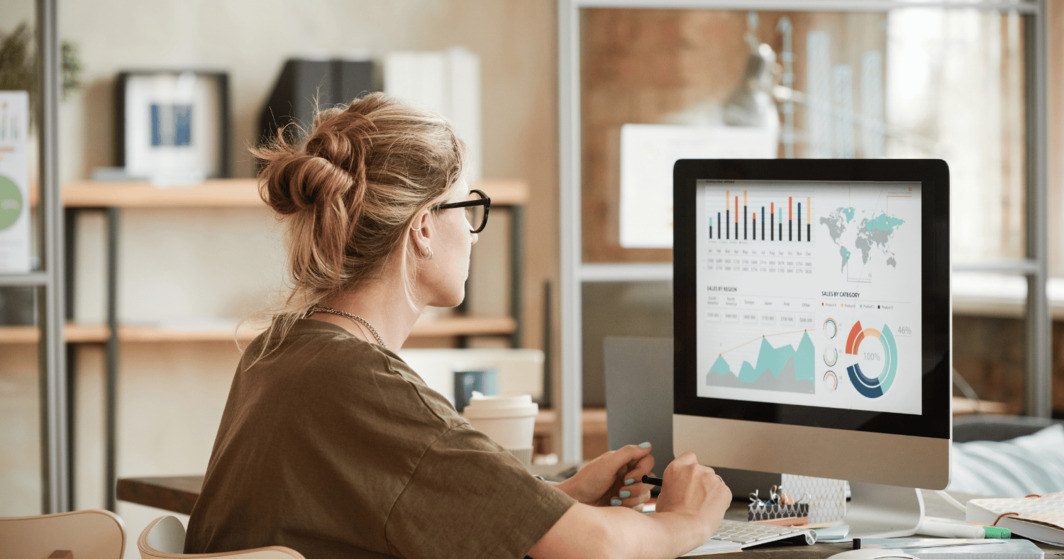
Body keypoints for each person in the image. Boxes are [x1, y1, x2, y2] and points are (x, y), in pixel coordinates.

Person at [183, 92, 731, 559]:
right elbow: (600, 548)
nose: (473, 235)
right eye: (468, 209)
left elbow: (393, 496)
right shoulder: (366, 386)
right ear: (422, 228)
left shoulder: (277, 351)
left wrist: (554, 498)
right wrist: (689, 519)